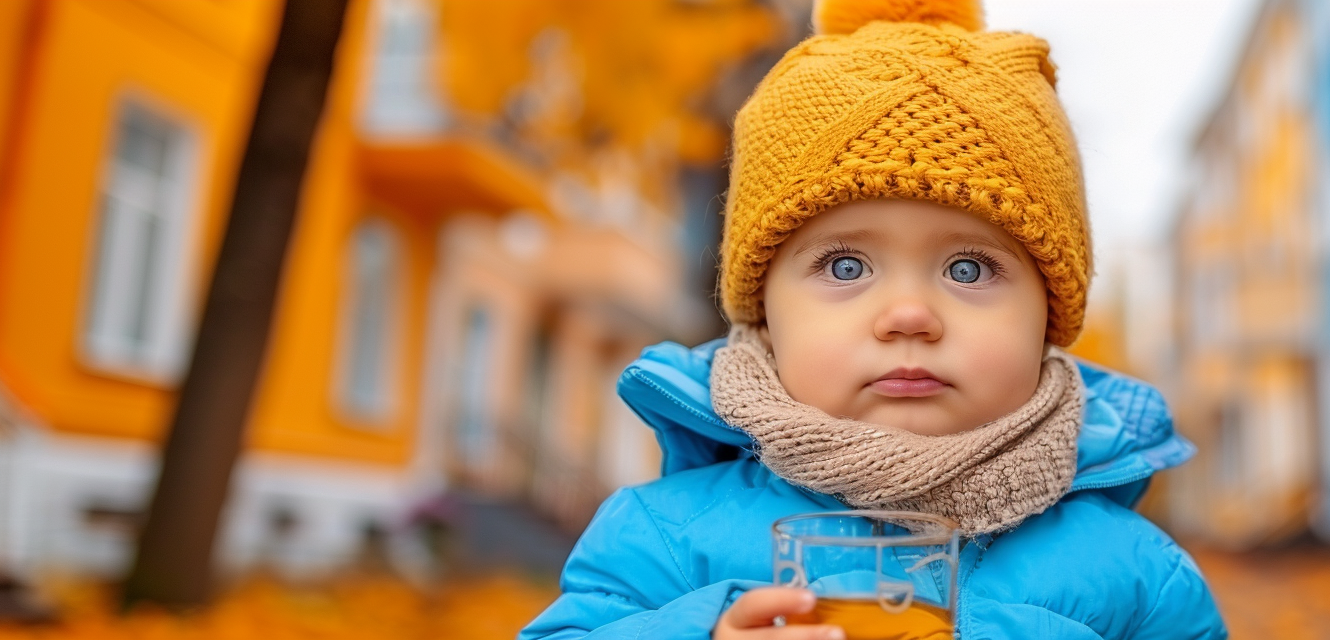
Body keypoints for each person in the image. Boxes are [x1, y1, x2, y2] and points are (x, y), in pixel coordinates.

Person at [518, 0, 1227, 637]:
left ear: (1049, 313)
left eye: (969, 269)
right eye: (846, 268)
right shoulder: (663, 540)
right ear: (765, 310)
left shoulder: (1134, 574)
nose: (909, 315)